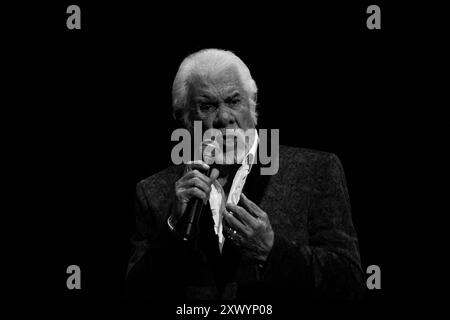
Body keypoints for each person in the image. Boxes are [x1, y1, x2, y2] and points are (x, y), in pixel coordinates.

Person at [126, 49, 364, 300]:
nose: (224, 118)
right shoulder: (154, 192)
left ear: (253, 107)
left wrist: (272, 251)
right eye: (206, 106)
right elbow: (136, 292)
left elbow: (350, 281)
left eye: (233, 101)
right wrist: (173, 230)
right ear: (185, 118)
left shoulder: (314, 171)